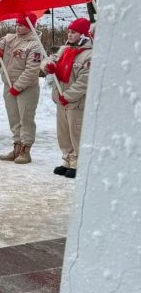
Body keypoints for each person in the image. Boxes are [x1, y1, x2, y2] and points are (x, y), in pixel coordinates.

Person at [0, 14, 45, 164]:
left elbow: (32, 70)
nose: (17, 27)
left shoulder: (35, 45)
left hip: (26, 88)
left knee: (25, 119)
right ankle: (16, 146)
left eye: (21, 25)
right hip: (9, 84)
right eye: (16, 24)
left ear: (30, 26)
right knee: (13, 118)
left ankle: (25, 150)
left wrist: (18, 86)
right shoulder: (9, 38)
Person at [42, 18, 93, 178]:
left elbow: (84, 81)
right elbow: (48, 60)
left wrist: (68, 96)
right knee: (63, 133)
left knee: (75, 132)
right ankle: (67, 158)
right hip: (61, 100)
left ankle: (78, 161)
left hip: (76, 102)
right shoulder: (64, 50)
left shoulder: (89, 55)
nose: (69, 34)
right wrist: (48, 65)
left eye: (74, 32)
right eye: (69, 31)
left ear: (83, 34)